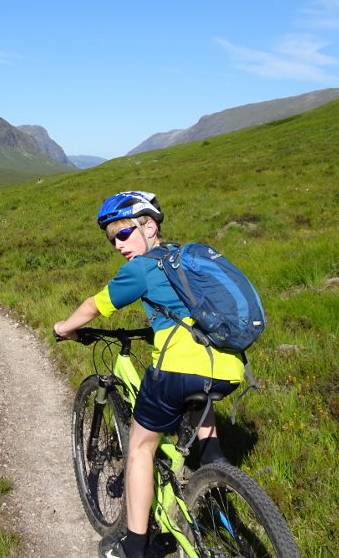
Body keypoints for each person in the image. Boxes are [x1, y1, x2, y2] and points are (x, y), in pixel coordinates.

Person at [54, 191, 245, 558]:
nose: (118, 245)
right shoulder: (185, 260)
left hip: (178, 367)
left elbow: (96, 305)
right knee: (206, 431)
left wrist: (64, 327)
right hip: (226, 364)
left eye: (124, 234)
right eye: (112, 239)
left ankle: (136, 546)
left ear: (150, 226)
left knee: (140, 448)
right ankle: (223, 511)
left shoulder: (143, 268)